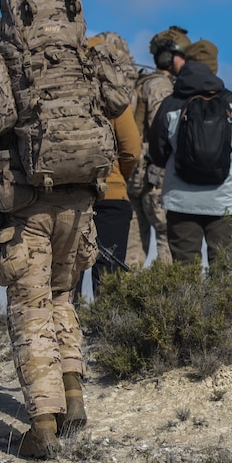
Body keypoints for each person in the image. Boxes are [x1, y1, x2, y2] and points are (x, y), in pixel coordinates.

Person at [0, 0, 133, 458]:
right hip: (83, 201)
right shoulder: (80, 59)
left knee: (29, 309)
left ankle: (42, 425)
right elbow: (116, 109)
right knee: (61, 298)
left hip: (28, 206)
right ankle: (73, 398)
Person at [146, 49, 232, 264]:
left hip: (180, 202)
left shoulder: (170, 105)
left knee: (185, 274)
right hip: (224, 202)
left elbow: (158, 154)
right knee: (226, 272)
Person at [129, 26, 189, 267]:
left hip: (133, 176)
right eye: (182, 55)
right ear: (168, 56)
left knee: (132, 253)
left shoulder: (139, 83)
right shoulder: (161, 86)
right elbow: (164, 130)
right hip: (155, 177)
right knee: (168, 242)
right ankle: (167, 302)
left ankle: (124, 302)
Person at [88, 32, 144, 287]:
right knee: (108, 277)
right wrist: (119, 177)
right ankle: (104, 327)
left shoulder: (58, 87)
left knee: (65, 280)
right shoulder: (109, 90)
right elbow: (132, 147)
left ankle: (67, 326)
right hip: (111, 194)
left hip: (65, 197)